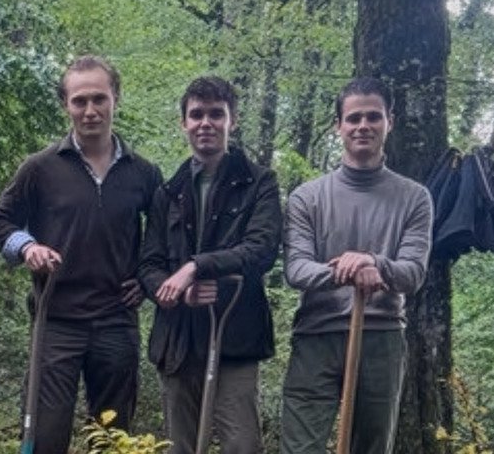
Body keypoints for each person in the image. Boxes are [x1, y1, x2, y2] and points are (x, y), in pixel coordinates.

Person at [0, 55, 163, 453]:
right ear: (65, 104)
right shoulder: (40, 168)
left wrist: (146, 279)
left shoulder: (143, 172)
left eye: (99, 98)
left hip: (117, 320)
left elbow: (163, 238)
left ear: (116, 98)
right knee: (45, 435)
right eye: (79, 101)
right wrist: (27, 247)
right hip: (55, 320)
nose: (90, 110)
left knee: (112, 437)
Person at [281, 77, 433, 454]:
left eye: (373, 117)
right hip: (316, 336)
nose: (363, 126)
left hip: (381, 337)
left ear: (389, 121)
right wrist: (349, 270)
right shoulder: (307, 198)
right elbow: (296, 269)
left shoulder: (414, 198)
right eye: (353, 118)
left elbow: (413, 273)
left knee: (372, 448)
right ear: (339, 126)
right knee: (300, 449)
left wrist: (374, 261)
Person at [137, 76, 281, 454]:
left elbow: (262, 249)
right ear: (183, 122)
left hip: (235, 335)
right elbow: (149, 264)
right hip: (178, 340)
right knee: (180, 447)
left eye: (216, 114)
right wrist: (172, 292)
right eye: (197, 114)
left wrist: (196, 267)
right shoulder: (167, 192)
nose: (206, 123)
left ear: (232, 120)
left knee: (242, 445)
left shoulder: (259, 183)